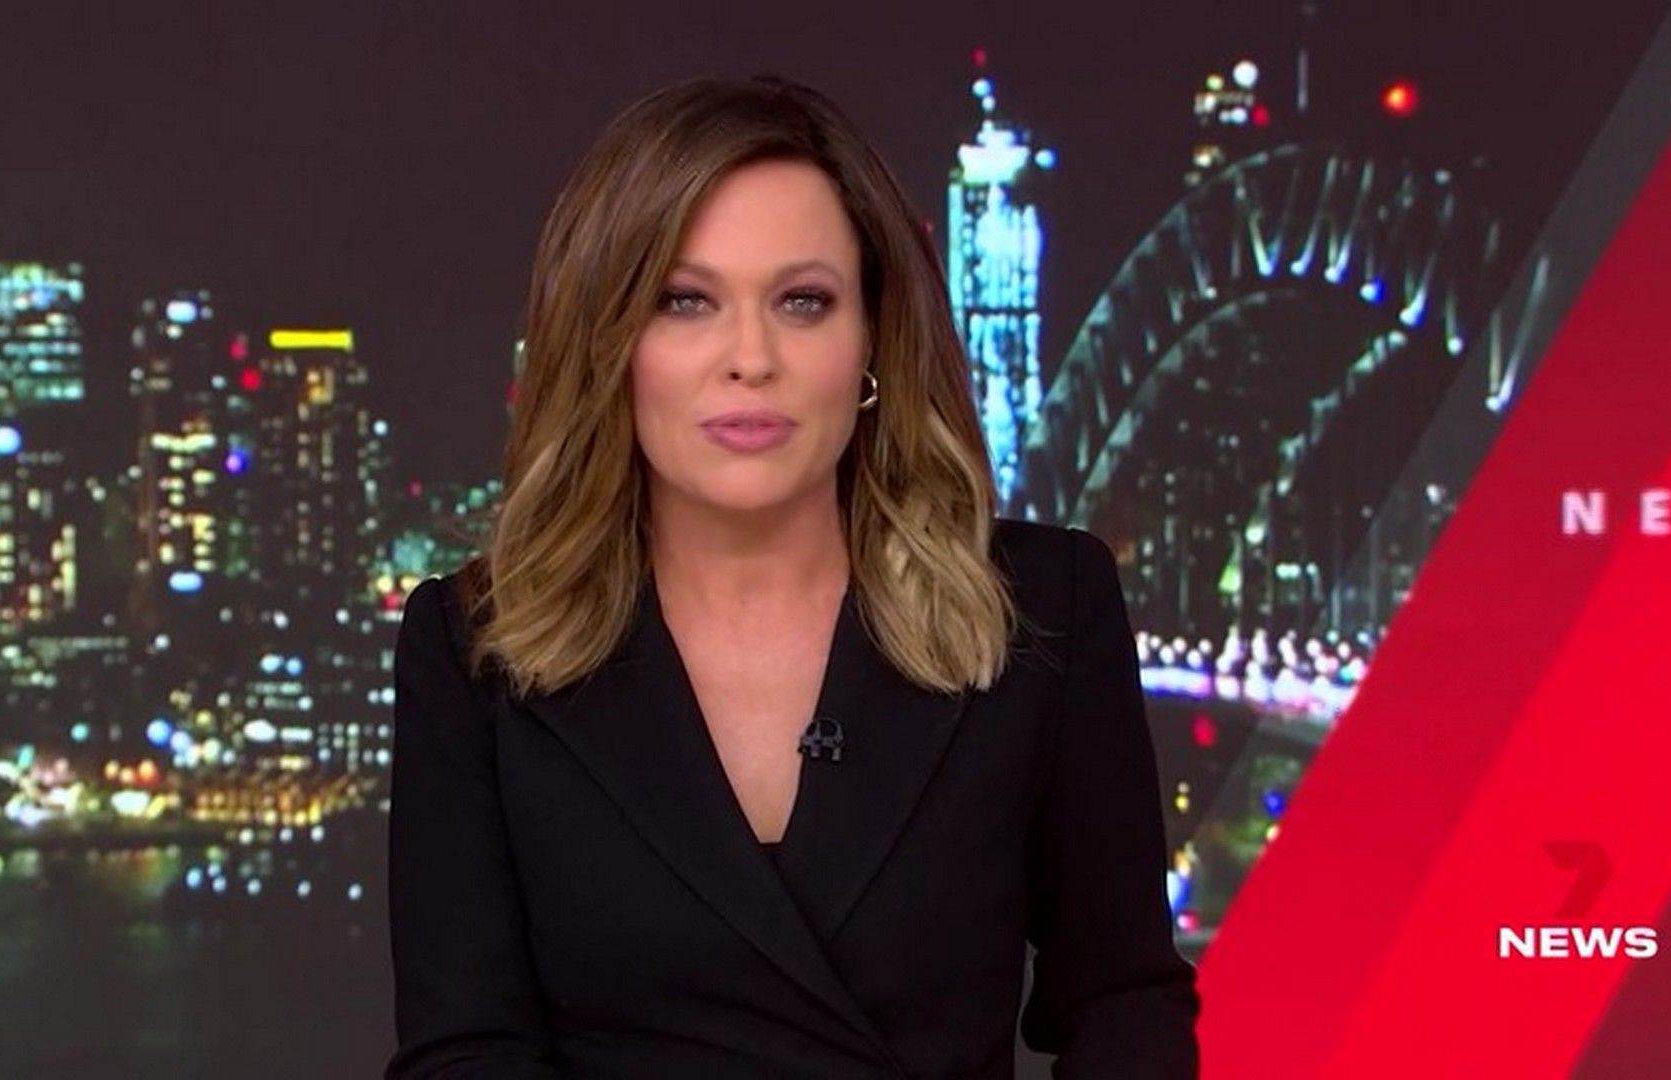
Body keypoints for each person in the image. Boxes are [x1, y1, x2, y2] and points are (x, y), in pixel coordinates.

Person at [384, 72, 1200, 1079]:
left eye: (803, 302)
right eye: (685, 301)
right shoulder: (474, 649)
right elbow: (465, 1054)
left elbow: (1123, 1000)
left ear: (871, 340)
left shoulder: (1047, 607)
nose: (751, 358)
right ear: (609, 343)